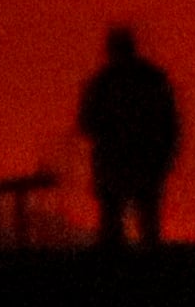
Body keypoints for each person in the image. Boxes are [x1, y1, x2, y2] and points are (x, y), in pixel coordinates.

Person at [77, 27, 182, 246]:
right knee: (147, 222)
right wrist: (166, 155)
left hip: (116, 160)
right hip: (146, 159)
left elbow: (86, 123)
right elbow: (169, 122)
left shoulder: (104, 82)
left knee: (113, 223)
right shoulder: (152, 79)